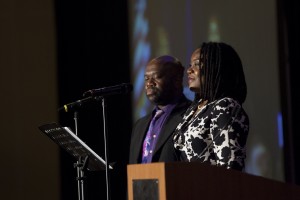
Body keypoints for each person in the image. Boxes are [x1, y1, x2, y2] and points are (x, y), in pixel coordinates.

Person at [173, 42, 249, 171]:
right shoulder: (194, 109)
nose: (189, 70)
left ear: (216, 68)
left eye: (197, 64)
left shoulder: (225, 107)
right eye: (190, 65)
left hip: (211, 189)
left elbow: (229, 167)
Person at [129, 55, 192, 164]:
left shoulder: (192, 115)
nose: (149, 83)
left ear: (176, 80)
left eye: (156, 77)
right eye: (146, 79)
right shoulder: (139, 125)